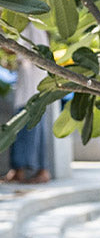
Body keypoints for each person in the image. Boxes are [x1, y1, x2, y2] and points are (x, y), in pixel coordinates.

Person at [0, 22, 52, 184]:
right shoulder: (33, 24)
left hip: (33, 85)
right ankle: (21, 171)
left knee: (27, 125)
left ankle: (34, 171)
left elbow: (13, 48)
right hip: (30, 81)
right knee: (28, 126)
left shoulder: (32, 25)